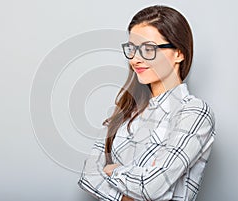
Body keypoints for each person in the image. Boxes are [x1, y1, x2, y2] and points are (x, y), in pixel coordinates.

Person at [78, 5, 216, 201]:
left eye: (148, 49)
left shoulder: (194, 112)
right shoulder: (126, 111)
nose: (135, 59)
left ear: (179, 53)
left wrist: (112, 170)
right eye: (132, 49)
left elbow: (150, 187)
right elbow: (88, 176)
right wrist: (129, 190)